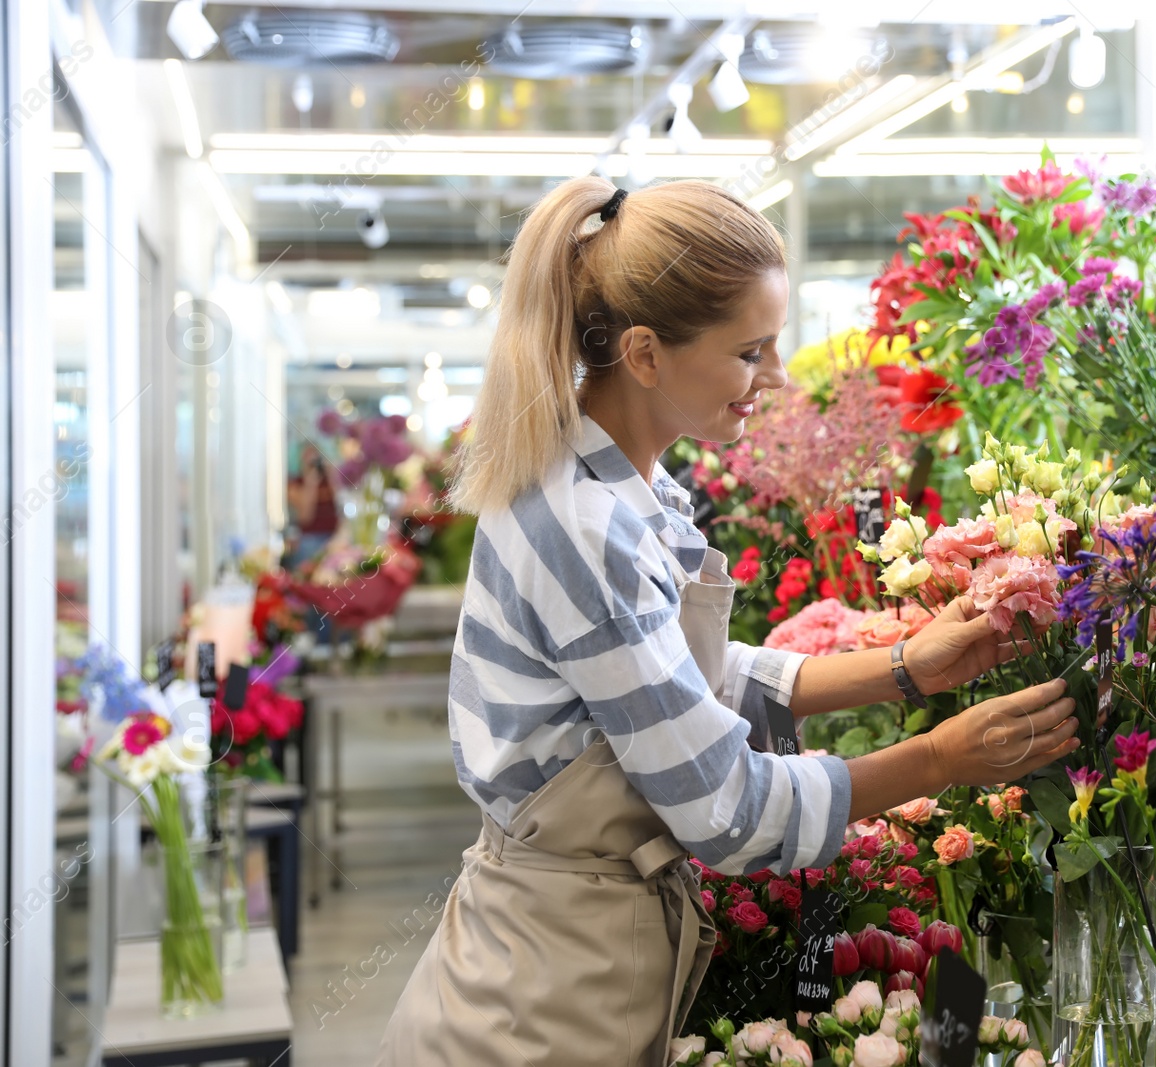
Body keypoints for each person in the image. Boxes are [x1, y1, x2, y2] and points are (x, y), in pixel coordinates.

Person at [375, 178, 1083, 1067]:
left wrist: (908, 667)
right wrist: (941, 758)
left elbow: (670, 684)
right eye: (751, 351)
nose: (778, 378)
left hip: (559, 963)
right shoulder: (587, 526)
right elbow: (725, 806)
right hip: (538, 1008)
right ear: (644, 353)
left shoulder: (607, 485)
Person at [284, 445, 339, 569]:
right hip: (310, 538)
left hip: (332, 536)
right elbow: (305, 517)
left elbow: (341, 505)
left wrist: (332, 475)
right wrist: (310, 483)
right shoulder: (295, 485)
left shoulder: (329, 481)